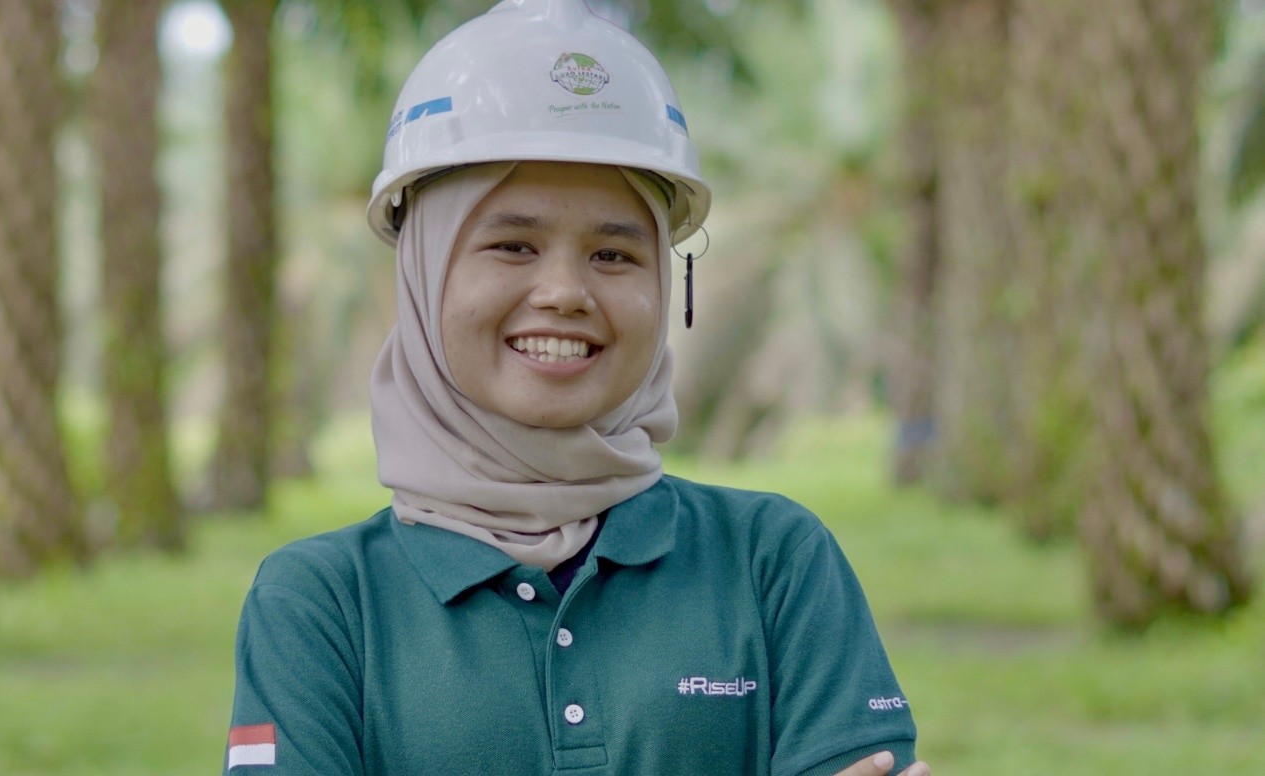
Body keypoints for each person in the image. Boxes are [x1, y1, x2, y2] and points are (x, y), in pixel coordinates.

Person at [226, 1, 928, 774]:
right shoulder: (322, 603)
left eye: (613, 255)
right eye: (512, 245)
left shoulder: (772, 563)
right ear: (421, 275)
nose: (563, 292)